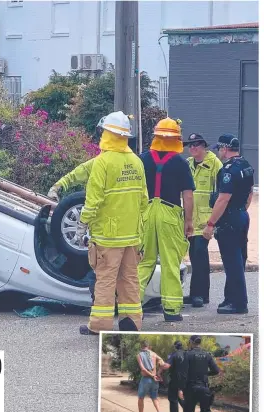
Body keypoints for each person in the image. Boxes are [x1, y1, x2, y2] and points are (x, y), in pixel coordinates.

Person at [76, 111, 149, 334]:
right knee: (130, 281)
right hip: (132, 236)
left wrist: (83, 223)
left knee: (105, 280)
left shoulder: (103, 162)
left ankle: (99, 326)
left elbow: (94, 199)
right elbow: (144, 201)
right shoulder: (136, 161)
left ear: (107, 133)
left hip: (108, 236)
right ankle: (132, 322)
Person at [138, 118, 195, 322]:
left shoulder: (142, 159)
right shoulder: (180, 163)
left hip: (146, 213)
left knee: (144, 261)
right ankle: (171, 310)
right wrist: (189, 222)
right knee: (171, 262)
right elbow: (187, 195)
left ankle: (132, 307)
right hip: (170, 213)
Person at [202, 134, 254, 314]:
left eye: (220, 149)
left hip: (230, 218)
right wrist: (241, 210)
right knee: (239, 259)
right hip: (241, 215)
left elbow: (223, 199)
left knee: (232, 262)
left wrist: (210, 224)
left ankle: (239, 303)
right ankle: (230, 298)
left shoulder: (228, 170)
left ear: (225, 148)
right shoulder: (246, 165)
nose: (219, 153)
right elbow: (249, 194)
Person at [183, 133, 223, 308]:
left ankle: (199, 294)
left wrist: (213, 221)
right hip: (190, 218)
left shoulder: (215, 164)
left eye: (196, 145)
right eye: (190, 145)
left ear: (204, 146)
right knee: (194, 255)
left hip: (206, 219)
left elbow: (223, 193)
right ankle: (197, 294)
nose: (192, 148)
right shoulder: (188, 164)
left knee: (199, 254)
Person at [178, 335, 220, 412]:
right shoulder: (207, 355)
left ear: (191, 342)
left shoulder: (187, 354)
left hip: (190, 388)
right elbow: (216, 370)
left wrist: (180, 389)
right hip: (204, 387)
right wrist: (205, 373)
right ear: (200, 343)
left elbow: (182, 373)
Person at [136, 340, 170, 412]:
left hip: (146, 379)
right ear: (149, 346)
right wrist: (158, 372)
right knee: (154, 397)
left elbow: (143, 369)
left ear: (141, 346)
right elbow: (163, 363)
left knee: (141, 398)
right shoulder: (154, 354)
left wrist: (152, 375)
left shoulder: (139, 355)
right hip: (155, 380)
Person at [166, 340, 186, 412]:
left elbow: (167, 365)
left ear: (175, 346)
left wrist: (160, 367)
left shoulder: (173, 355)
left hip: (175, 380)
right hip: (185, 380)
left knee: (173, 398)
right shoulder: (187, 354)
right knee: (182, 399)